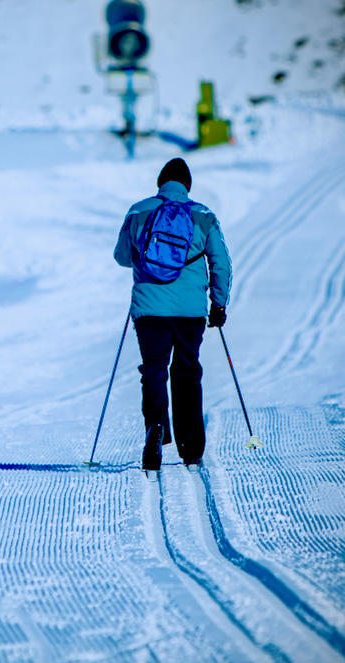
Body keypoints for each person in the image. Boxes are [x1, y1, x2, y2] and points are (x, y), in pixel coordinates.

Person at [113, 157, 232, 468]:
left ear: (160, 184)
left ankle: (156, 428)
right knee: (187, 370)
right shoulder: (203, 215)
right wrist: (218, 304)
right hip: (190, 311)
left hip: (148, 308)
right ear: (188, 186)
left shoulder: (139, 211)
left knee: (153, 368)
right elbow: (221, 264)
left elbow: (122, 257)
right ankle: (190, 444)